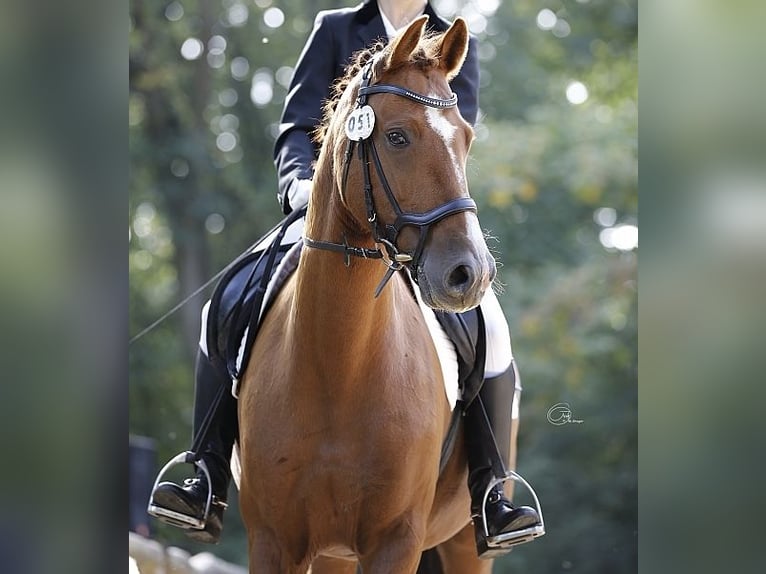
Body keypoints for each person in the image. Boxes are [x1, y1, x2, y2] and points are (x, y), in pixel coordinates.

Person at [149, 0, 540, 557]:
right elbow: (297, 124)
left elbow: (452, 137)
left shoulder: (454, 44)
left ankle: (492, 491)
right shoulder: (335, 29)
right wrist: (299, 185)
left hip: (415, 218)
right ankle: (204, 471)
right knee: (225, 303)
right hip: (326, 209)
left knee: (492, 326)